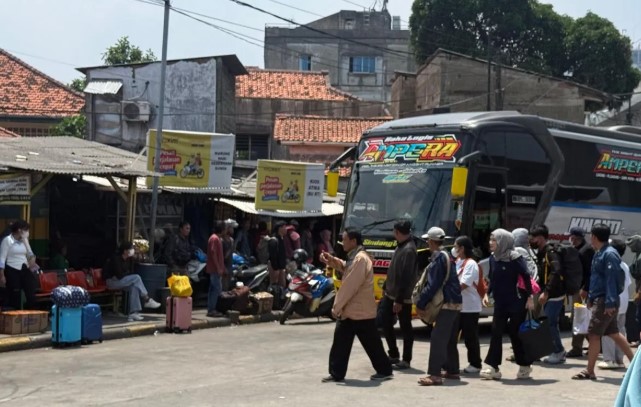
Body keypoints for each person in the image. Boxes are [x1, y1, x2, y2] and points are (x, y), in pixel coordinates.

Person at [320, 227, 393, 383]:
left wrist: (336, 306)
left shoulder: (360, 259)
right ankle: (336, 373)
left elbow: (350, 285)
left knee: (371, 343)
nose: (342, 242)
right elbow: (347, 268)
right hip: (353, 310)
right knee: (342, 343)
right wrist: (332, 261)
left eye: (345, 239)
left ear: (353, 241)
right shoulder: (356, 257)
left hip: (359, 310)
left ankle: (384, 370)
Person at [572, 224, 634, 380]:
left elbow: (611, 280)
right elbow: (596, 279)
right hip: (600, 299)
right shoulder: (599, 253)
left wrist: (610, 302)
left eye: (591, 235)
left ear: (594, 236)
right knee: (614, 333)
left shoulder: (609, 254)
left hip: (605, 301)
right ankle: (636, 366)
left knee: (593, 334)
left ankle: (589, 371)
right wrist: (591, 298)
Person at [480, 229, 535, 381]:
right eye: (490, 239)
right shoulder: (493, 258)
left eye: (494, 240)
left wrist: (530, 298)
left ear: (503, 241)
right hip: (501, 301)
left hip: (517, 301)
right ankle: (493, 367)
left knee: (514, 332)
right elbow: (492, 278)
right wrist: (487, 293)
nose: (491, 243)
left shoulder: (515, 257)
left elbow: (526, 276)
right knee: (496, 332)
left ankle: (524, 365)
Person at [415, 227, 462, 386]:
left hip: (446, 303)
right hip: (454, 302)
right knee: (449, 338)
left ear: (430, 241)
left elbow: (433, 285)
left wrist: (421, 303)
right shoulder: (447, 256)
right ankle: (452, 370)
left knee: (438, 338)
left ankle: (435, 375)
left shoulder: (439, 258)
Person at [381, 220, 417, 370]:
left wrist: (399, 300)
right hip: (390, 294)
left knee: (405, 327)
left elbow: (405, 276)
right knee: (385, 322)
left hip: (402, 297)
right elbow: (393, 270)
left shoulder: (409, 250)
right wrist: (385, 286)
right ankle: (394, 354)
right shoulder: (400, 246)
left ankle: (406, 359)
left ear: (397, 232)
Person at [530, 224, 566, 365]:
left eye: (533, 238)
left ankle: (558, 351)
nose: (531, 241)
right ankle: (557, 351)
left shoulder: (550, 252)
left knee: (550, 323)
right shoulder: (542, 252)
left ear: (540, 238)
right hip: (549, 293)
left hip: (554, 294)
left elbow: (556, 272)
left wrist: (546, 292)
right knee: (550, 323)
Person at [103, 242, 161, 321]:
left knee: (134, 287)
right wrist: (127, 274)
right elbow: (119, 275)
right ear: (125, 251)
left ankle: (133, 313)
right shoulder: (116, 259)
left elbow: (130, 272)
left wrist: (127, 274)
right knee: (136, 278)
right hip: (112, 282)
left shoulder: (129, 259)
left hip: (122, 281)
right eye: (131, 249)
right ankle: (147, 299)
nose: (132, 250)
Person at [598, 238, 632, 369]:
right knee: (620, 330)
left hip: (612, 303)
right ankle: (619, 359)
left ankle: (609, 359)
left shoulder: (610, 264)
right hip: (623, 303)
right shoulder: (624, 265)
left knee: (608, 330)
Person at [453, 235, 483, 374]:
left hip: (469, 307)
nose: (454, 249)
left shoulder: (471, 264)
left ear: (462, 248)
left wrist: (449, 292)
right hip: (457, 306)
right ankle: (450, 363)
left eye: (456, 247)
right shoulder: (457, 261)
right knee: (451, 336)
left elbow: (464, 284)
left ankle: (475, 364)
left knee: (470, 338)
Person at [567, 226, 596, 358]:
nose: (571, 240)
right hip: (578, 289)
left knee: (579, 318)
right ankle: (596, 345)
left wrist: (585, 289)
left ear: (576, 238)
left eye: (572, 237)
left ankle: (577, 348)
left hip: (582, 291)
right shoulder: (579, 249)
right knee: (583, 318)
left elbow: (590, 272)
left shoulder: (586, 250)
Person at [0, 220, 38, 310]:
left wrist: (26, 242)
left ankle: (31, 313)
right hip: (12, 269)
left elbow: (32, 259)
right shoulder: (7, 240)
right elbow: (2, 258)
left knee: (31, 292)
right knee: (15, 295)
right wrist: (2, 275)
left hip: (24, 268)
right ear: (19, 230)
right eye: (26, 230)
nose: (28, 233)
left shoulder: (24, 241)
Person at [207, 221, 226, 318]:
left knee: (213, 289)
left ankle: (211, 309)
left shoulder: (215, 238)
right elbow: (213, 252)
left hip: (215, 268)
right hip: (215, 269)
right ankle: (212, 309)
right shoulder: (215, 238)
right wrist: (218, 267)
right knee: (216, 289)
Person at [626, 235, 641, 347]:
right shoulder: (637, 256)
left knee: (639, 316)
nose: (630, 248)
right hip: (638, 287)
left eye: (632, 245)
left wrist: (639, 293)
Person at [268, 221, 288, 288]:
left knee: (282, 286)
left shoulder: (281, 239)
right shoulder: (274, 240)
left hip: (281, 268)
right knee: (275, 287)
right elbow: (273, 256)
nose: (286, 229)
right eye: (284, 227)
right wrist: (276, 269)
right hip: (275, 268)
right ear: (280, 228)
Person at [223, 219, 237, 290]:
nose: (233, 230)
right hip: (224, 268)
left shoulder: (231, 240)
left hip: (229, 266)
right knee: (224, 288)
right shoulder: (222, 240)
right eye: (231, 228)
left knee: (228, 286)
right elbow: (223, 257)